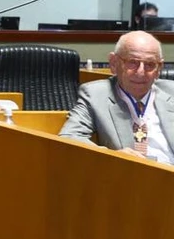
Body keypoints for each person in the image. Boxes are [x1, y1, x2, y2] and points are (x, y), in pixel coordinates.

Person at [59, 31, 174, 162]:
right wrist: (112, 157)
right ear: (114, 63)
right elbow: (68, 137)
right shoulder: (96, 95)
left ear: (159, 68)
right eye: (133, 62)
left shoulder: (171, 92)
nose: (141, 72)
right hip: (131, 177)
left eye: (150, 64)